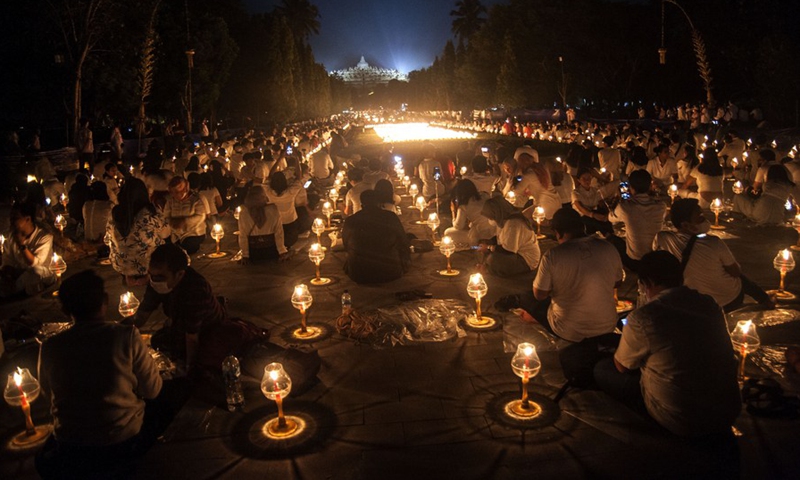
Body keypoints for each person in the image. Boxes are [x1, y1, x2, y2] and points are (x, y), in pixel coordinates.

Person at [593, 251, 742, 437]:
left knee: (603, 369)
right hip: (727, 412)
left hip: (682, 418)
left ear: (647, 283)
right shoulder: (709, 304)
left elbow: (622, 366)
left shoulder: (645, 317)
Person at [36, 270, 163, 479]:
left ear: (63, 309)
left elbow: (45, 397)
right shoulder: (126, 336)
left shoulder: (50, 346)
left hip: (71, 443)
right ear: (105, 301)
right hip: (122, 439)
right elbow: (153, 390)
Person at [653, 198, 774, 311]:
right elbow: (735, 272)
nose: (705, 220)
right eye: (699, 217)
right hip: (727, 302)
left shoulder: (662, 238)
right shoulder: (713, 242)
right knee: (740, 278)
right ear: (685, 224)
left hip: (689, 303)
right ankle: (765, 299)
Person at [521, 207, 623, 342]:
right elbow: (618, 282)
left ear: (557, 232)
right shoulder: (608, 247)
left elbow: (539, 295)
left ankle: (535, 317)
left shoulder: (553, 255)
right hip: (607, 325)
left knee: (527, 298)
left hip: (569, 330)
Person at [131, 243, 225, 370]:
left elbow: (192, 337)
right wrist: (119, 331)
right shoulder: (156, 282)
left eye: (160, 277)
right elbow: (142, 315)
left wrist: (189, 369)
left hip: (208, 329)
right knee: (157, 341)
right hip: (182, 324)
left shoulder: (196, 289)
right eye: (151, 275)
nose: (154, 280)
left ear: (179, 274)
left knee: (196, 357)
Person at [107, 178, 169, 286]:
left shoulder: (114, 213)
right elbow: (166, 233)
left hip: (120, 265)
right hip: (149, 263)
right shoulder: (149, 213)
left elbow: (107, 240)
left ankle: (129, 273)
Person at [342, 190, 410, 283]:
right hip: (390, 271)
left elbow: (346, 245)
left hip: (358, 273)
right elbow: (403, 242)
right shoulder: (390, 217)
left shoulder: (350, 220)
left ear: (361, 205)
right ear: (380, 204)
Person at [609, 170, 666, 272]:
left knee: (611, 238)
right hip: (654, 257)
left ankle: (622, 271)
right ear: (650, 186)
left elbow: (610, 217)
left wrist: (618, 197)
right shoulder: (661, 206)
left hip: (635, 260)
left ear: (631, 188)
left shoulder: (625, 207)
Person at [0, 202, 55, 297]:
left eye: (15, 218)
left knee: (34, 272)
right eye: (11, 218)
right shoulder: (11, 236)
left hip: (42, 274)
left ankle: (11, 290)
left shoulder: (45, 237)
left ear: (28, 219)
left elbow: (34, 264)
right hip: (18, 274)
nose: (11, 221)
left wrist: (21, 245)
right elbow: (7, 261)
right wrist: (7, 273)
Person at [478, 196, 540, 277]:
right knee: (483, 249)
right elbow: (500, 238)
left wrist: (489, 247)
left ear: (496, 214)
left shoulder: (513, 224)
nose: (489, 220)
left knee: (493, 259)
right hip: (512, 254)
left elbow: (508, 250)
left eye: (490, 217)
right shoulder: (502, 221)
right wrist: (487, 243)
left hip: (525, 259)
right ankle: (485, 266)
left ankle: (487, 268)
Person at [238, 186, 289, 263]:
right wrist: (282, 251)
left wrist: (245, 255)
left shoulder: (244, 213)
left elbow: (243, 235)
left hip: (254, 253)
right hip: (271, 250)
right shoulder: (273, 210)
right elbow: (279, 233)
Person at [163, 176, 207, 254]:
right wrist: (172, 223)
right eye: (173, 193)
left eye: (178, 192)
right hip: (176, 235)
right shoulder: (170, 201)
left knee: (188, 247)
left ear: (185, 189)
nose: (175, 195)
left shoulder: (196, 199)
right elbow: (166, 216)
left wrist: (184, 221)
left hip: (194, 233)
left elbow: (200, 216)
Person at [444, 179, 494, 246]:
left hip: (481, 236)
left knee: (448, 233)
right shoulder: (485, 195)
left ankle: (474, 247)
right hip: (495, 231)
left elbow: (458, 226)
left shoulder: (464, 205)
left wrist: (453, 211)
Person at [263, 171, 303, 248]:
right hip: (290, 223)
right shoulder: (291, 192)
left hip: (274, 223)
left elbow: (268, 177)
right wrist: (297, 160)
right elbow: (299, 178)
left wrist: (279, 160)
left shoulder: (268, 191)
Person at [572, 167, 612, 235]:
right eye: (584, 179)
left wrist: (608, 212)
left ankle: (610, 235)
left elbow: (601, 202)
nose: (587, 181)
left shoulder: (595, 190)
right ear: (579, 180)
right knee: (593, 222)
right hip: (582, 216)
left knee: (605, 219)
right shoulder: (576, 192)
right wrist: (593, 215)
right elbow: (580, 208)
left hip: (593, 212)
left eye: (589, 178)